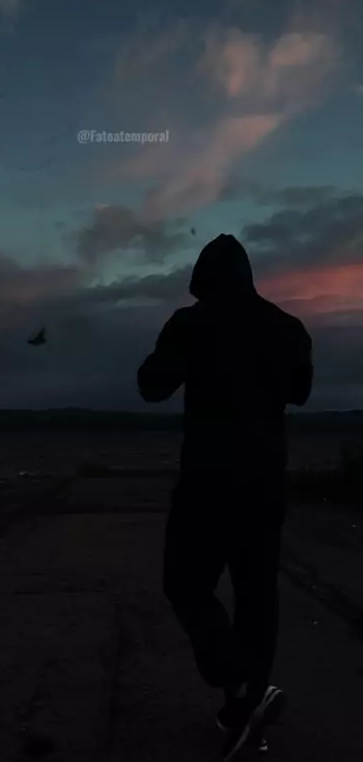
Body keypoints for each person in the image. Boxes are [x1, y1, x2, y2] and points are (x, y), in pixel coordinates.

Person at [137, 234, 313, 760]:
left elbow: (151, 386)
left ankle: (240, 682)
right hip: (266, 484)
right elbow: (300, 392)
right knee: (257, 595)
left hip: (208, 483)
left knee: (185, 584)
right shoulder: (288, 327)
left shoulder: (190, 323)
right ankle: (246, 709)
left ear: (203, 279)